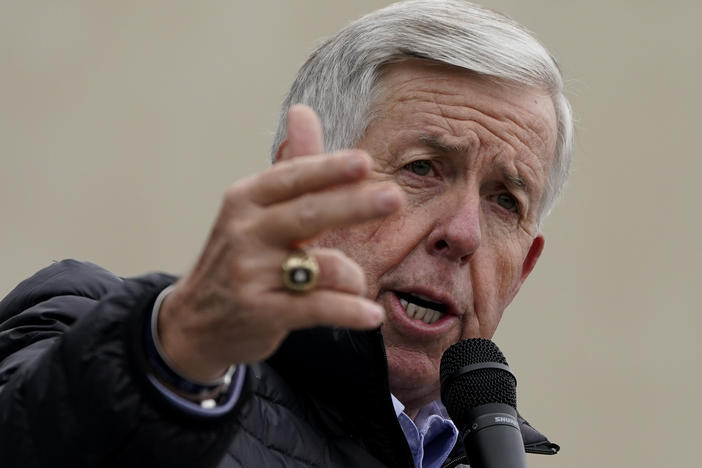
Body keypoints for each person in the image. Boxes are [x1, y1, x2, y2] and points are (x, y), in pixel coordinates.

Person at [0, 0, 572, 466]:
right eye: (422, 168)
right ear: (300, 190)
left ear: (522, 269)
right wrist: (176, 351)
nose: (464, 233)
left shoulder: (490, 452)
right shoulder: (91, 322)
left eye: (504, 200)